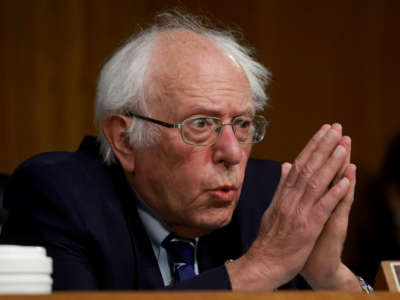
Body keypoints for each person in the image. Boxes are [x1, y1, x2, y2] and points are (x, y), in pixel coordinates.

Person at [0, 12, 368, 291]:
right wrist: (258, 269)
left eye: (241, 124)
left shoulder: (269, 200)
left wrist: (331, 278)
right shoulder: (60, 196)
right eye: (201, 124)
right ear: (125, 141)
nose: (233, 153)